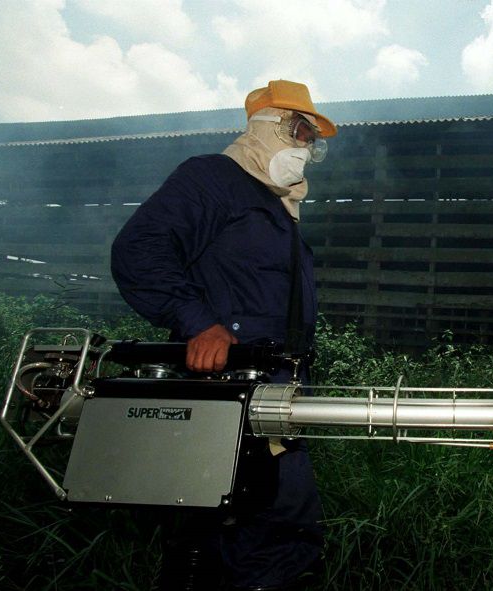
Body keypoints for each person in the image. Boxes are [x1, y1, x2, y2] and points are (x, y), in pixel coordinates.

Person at [110, 80, 337, 591]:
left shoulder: (280, 213)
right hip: (225, 384)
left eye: (312, 141)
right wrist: (197, 322)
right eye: (300, 132)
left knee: (257, 518)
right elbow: (139, 250)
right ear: (267, 126)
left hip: (276, 385)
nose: (306, 148)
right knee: (264, 521)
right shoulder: (212, 177)